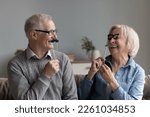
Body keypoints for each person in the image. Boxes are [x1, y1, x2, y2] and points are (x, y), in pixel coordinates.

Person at [7, 13, 78, 100]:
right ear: (34, 35)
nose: (55, 37)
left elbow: (72, 99)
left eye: (55, 31)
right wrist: (46, 75)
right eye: (50, 32)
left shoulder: (63, 60)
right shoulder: (15, 65)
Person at [78, 24, 145, 100]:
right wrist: (91, 73)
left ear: (129, 43)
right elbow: (80, 97)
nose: (111, 41)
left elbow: (134, 107)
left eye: (116, 37)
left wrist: (112, 82)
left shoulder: (138, 72)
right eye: (110, 37)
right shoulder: (99, 66)